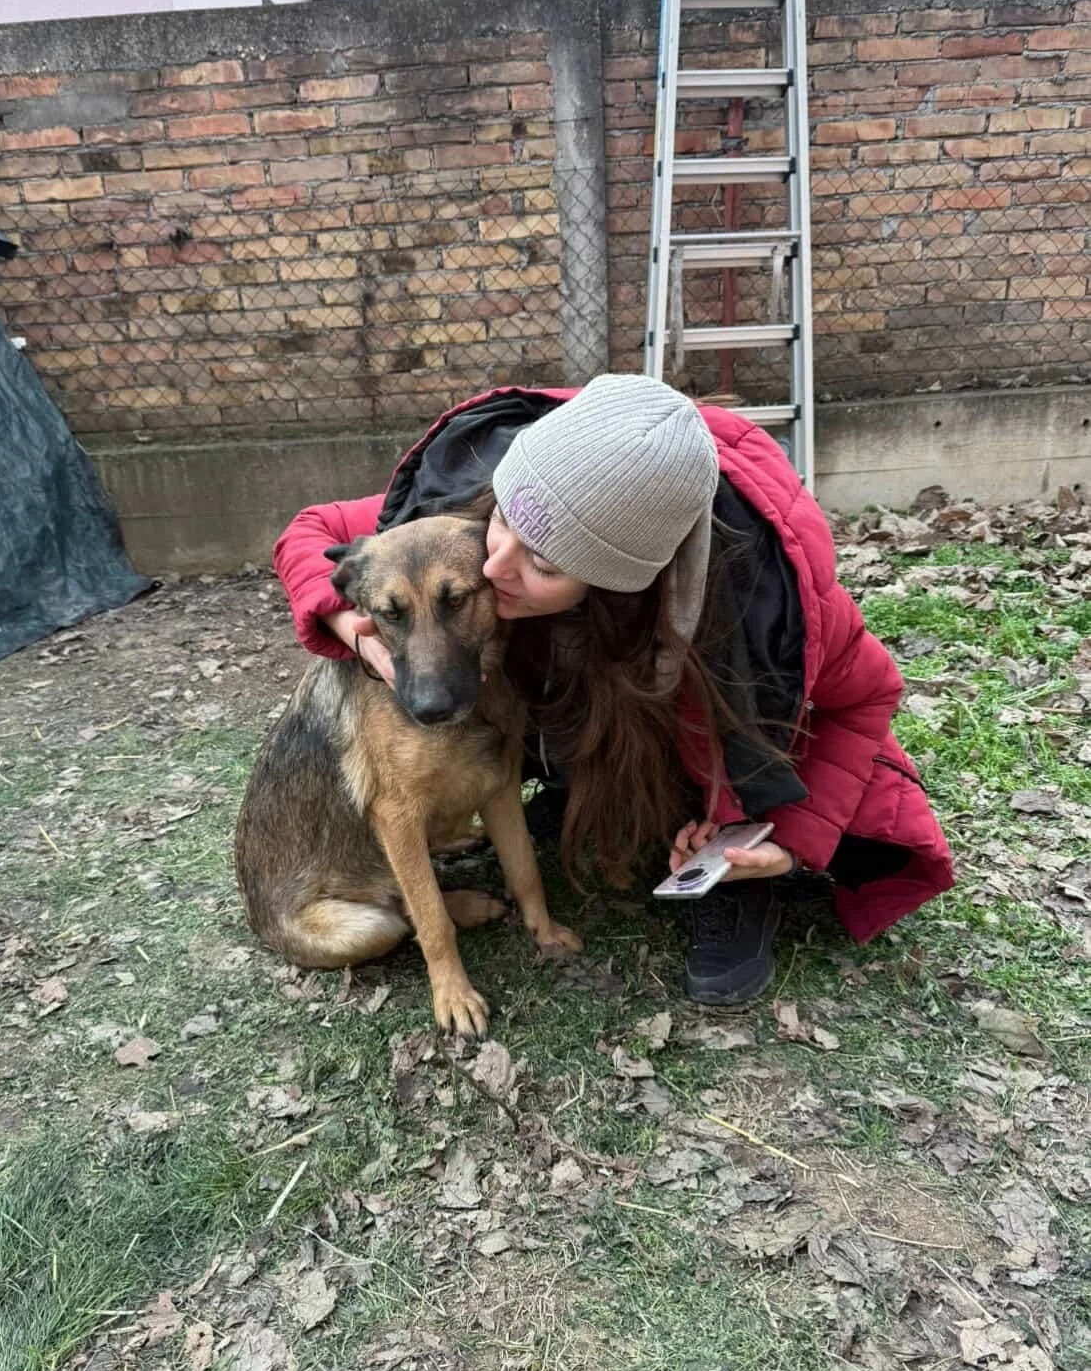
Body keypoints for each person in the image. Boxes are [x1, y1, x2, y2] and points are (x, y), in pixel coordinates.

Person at [274, 374, 953, 1006]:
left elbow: (866, 698)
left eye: (542, 563)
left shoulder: (763, 607)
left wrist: (791, 841)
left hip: (712, 745)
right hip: (587, 704)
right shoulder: (491, 499)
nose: (493, 565)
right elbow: (309, 532)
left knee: (714, 741)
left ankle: (730, 878)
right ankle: (587, 794)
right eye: (504, 522)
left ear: (615, 580)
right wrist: (349, 625)